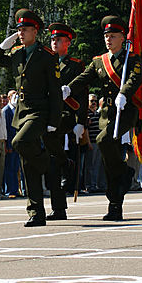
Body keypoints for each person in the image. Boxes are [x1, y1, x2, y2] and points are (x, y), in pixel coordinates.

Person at [64, 15, 142, 222]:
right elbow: (85, 77)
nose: (108, 39)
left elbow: (135, 78)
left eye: (113, 36)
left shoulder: (131, 59)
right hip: (107, 113)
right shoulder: (100, 61)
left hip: (125, 112)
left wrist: (124, 93)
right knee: (110, 162)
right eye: (106, 35)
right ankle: (115, 203)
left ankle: (123, 176)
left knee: (103, 141)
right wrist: (69, 88)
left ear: (123, 37)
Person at [0, 9, 62, 227]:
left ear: (35, 31)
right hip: (22, 113)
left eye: (25, 30)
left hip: (39, 111)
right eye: (19, 30)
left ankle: (48, 164)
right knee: (28, 165)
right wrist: (4, 45)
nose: (21, 33)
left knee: (19, 142)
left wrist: (53, 121)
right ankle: (36, 213)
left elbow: (55, 91)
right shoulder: (17, 53)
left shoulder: (47, 56)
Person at [45, 22, 86, 220]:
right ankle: (59, 208)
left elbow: (82, 96)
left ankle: (64, 163)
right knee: (51, 164)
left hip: (65, 117)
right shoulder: (44, 62)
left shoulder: (75, 66)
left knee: (53, 162)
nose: (54, 42)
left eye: (58, 39)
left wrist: (81, 121)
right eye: (52, 39)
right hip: (46, 117)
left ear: (67, 43)